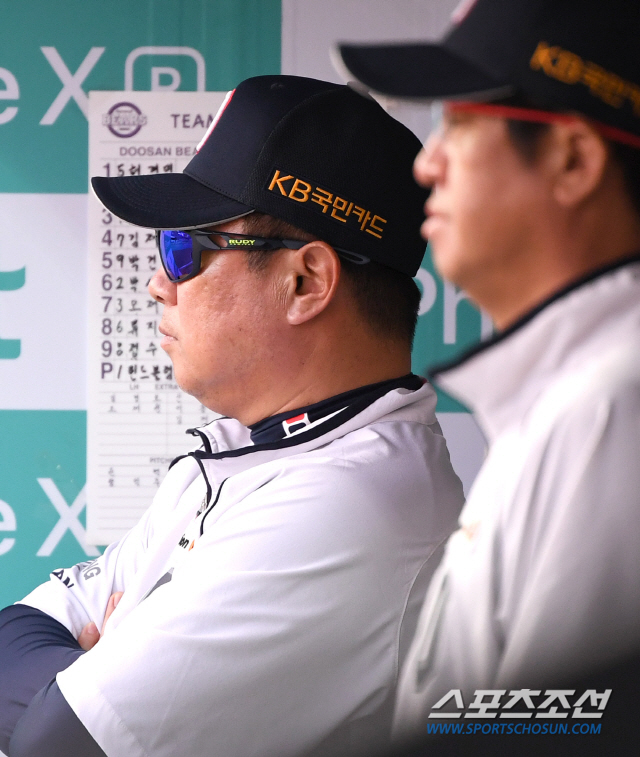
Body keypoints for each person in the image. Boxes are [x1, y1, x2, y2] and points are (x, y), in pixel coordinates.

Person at [0, 75, 464, 757]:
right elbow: (15, 631)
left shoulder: (348, 502)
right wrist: (78, 678)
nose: (158, 282)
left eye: (185, 249)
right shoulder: (263, 448)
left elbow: (59, 741)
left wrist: (82, 673)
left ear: (305, 282)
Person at [337, 0, 640, 742]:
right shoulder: (575, 395)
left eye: (462, 123)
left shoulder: (610, 406)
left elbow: (564, 727)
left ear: (573, 161)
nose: (426, 162)